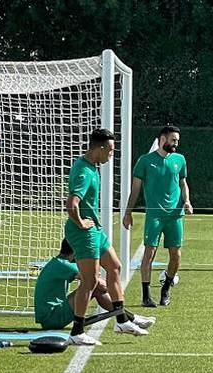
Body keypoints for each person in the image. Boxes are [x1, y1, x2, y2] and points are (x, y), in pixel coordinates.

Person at [65, 128, 148, 345]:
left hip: (95, 230)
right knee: (90, 282)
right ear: (100, 148)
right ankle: (77, 332)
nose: (112, 154)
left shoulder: (93, 167)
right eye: (110, 150)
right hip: (84, 232)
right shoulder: (83, 171)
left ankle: (121, 320)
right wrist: (81, 222)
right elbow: (71, 205)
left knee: (115, 266)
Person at [123, 125, 192, 307]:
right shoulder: (145, 161)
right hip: (154, 216)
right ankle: (146, 295)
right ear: (163, 139)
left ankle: (166, 288)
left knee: (176, 255)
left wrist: (187, 201)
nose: (176, 143)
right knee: (149, 252)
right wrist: (128, 212)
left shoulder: (180, 159)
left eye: (177, 140)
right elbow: (135, 189)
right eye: (173, 140)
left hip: (175, 215)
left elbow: (183, 183)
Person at [34, 239, 155, 331]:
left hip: (50, 315)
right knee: (95, 286)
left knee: (94, 287)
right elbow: (98, 283)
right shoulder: (65, 265)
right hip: (52, 318)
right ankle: (129, 318)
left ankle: (129, 318)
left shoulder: (59, 262)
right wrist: (115, 291)